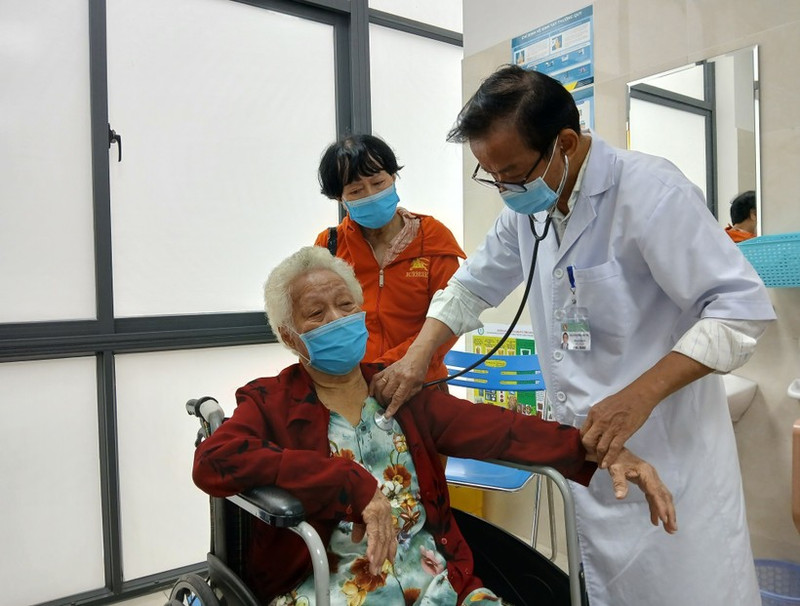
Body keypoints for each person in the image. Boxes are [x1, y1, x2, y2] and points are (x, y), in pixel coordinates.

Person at [370, 65, 776, 605]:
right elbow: (471, 287)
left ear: (564, 143)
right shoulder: (531, 209)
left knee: (685, 590)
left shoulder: (648, 192)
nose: (503, 188)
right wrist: (420, 356)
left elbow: (740, 310)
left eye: (511, 173)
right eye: (489, 175)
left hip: (668, 454)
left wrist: (639, 397)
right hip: (587, 457)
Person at [192, 246, 677, 606]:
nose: (338, 319)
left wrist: (599, 449)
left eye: (346, 305)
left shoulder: (397, 391)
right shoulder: (271, 401)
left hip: (436, 580)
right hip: (328, 585)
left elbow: (500, 430)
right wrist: (345, 480)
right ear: (289, 337)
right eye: (317, 314)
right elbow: (214, 460)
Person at [314, 134, 466, 384]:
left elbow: (452, 316)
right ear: (339, 198)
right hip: (354, 385)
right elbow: (318, 318)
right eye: (355, 190)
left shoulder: (433, 238)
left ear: (393, 178)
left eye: (378, 183)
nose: (370, 194)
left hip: (420, 380)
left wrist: (397, 364)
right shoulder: (329, 246)